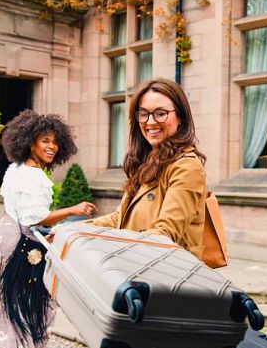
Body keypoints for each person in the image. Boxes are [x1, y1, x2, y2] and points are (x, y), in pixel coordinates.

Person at [0, 109, 96, 348]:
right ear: (29, 142)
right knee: (25, 304)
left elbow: (17, 212)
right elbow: (35, 218)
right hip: (18, 244)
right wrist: (73, 210)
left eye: (55, 141)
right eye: (45, 140)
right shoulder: (35, 177)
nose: (52, 146)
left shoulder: (15, 169)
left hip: (4, 235)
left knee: (4, 301)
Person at [87, 77, 208, 258]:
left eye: (160, 113)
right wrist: (73, 230)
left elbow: (166, 233)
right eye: (143, 114)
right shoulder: (146, 162)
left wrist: (114, 246)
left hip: (165, 274)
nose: (150, 122)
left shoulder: (186, 166)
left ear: (180, 118)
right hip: (137, 266)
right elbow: (119, 218)